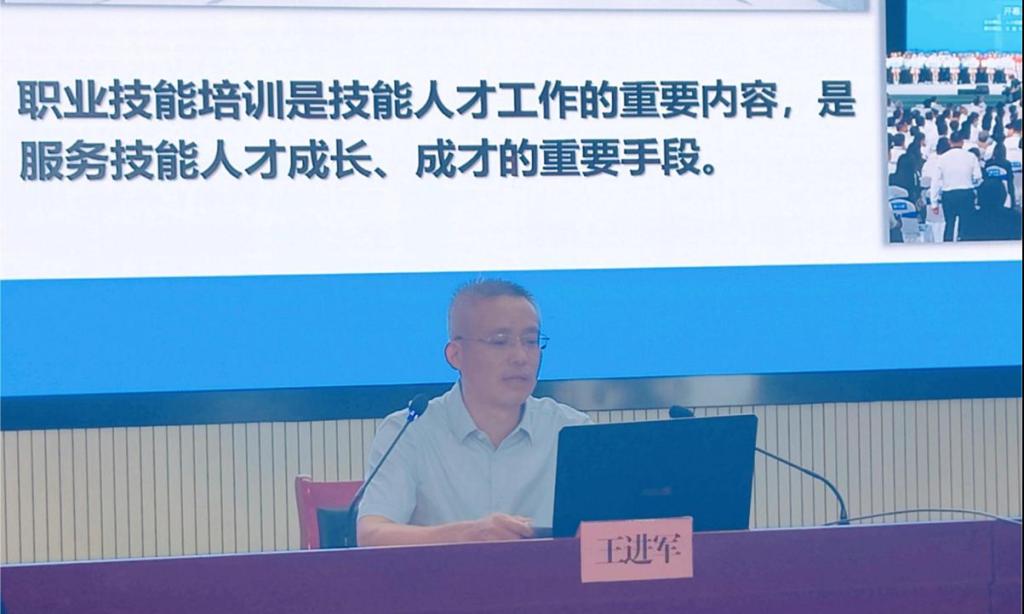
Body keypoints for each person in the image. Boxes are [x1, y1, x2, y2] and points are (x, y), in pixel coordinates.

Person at [357, 279, 590, 546]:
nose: (521, 357)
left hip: (548, 574)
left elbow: (613, 530)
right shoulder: (410, 432)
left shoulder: (572, 429)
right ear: (455, 355)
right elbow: (371, 535)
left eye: (530, 341)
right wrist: (466, 535)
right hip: (444, 574)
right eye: (500, 342)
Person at [930, 131, 982, 242]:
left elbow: (935, 181)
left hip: (949, 195)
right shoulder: (971, 156)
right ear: (962, 142)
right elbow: (978, 177)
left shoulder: (942, 158)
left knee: (949, 224)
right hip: (966, 194)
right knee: (966, 225)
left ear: (950, 142)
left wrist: (934, 202)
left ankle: (947, 246)